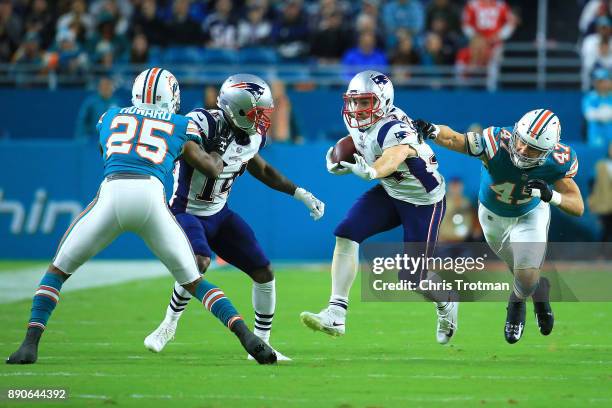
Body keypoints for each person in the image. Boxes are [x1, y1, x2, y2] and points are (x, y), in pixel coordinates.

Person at [7, 68, 277, 365]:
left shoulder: (109, 116)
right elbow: (209, 166)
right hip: (151, 199)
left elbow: (105, 150)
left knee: (57, 271)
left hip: (112, 194)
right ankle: (247, 337)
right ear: (171, 96)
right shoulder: (180, 124)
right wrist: (217, 145)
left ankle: (29, 344)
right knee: (194, 281)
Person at [144, 74, 324, 360]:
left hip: (219, 214)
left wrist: (300, 193)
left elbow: (262, 169)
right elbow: (196, 158)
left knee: (264, 272)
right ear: (236, 109)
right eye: (256, 113)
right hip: (185, 211)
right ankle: (169, 323)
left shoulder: (251, 135)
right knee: (199, 262)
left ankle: (262, 344)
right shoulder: (201, 123)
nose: (262, 120)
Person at [300, 71, 457, 345]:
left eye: (364, 102)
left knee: (413, 278)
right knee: (346, 232)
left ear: (383, 101)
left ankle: (446, 303)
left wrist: (372, 172)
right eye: (354, 102)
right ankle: (336, 312)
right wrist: (337, 158)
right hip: (391, 191)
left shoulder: (394, 127)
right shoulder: (360, 121)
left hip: (423, 201)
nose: (357, 109)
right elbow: (362, 145)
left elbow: (393, 158)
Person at [414, 109, 584, 344]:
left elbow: (578, 206)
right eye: (522, 142)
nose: (523, 150)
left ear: (547, 151)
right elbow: (456, 139)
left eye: (532, 148)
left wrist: (550, 195)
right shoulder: (495, 142)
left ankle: (516, 302)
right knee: (522, 271)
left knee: (525, 275)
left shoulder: (558, 160)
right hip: (492, 217)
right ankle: (539, 289)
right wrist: (432, 130)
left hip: (529, 215)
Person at [75, 77, 119, 141]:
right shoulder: (91, 102)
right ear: (99, 88)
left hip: (112, 140)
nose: (105, 89)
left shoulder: (117, 103)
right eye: (103, 87)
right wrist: (81, 139)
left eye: (108, 87)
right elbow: (82, 121)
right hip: (93, 139)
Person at [589, 141, 612, 241]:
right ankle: (603, 253)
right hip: (605, 204)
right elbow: (592, 183)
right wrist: (593, 199)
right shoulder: (601, 165)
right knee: (605, 229)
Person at [582, 68, 612, 147]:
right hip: (596, 136)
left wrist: (599, 112)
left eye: (603, 81)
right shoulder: (589, 98)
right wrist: (606, 113)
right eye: (598, 81)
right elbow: (589, 115)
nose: (601, 84)